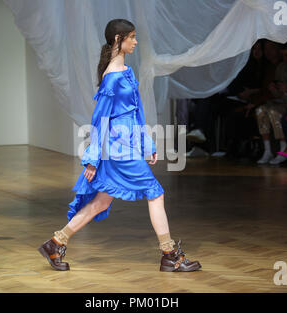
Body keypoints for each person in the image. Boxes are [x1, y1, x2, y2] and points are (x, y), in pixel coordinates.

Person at [38, 19, 201, 272]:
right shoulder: (112, 77)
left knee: (102, 201)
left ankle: (55, 243)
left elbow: (136, 113)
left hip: (126, 145)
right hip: (117, 149)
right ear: (118, 39)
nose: (136, 42)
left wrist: (146, 145)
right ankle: (169, 254)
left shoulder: (125, 70)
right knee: (155, 192)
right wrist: (92, 158)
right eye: (132, 37)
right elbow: (100, 120)